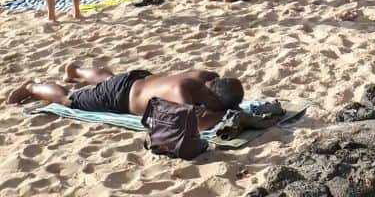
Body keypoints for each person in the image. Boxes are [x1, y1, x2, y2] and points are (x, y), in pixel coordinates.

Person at [7, 63, 244, 131]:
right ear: (213, 99)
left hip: (138, 78)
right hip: (120, 98)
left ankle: (77, 70)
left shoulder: (205, 75)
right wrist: (222, 113)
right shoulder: (182, 93)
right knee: (70, 99)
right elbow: (196, 126)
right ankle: (32, 87)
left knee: (108, 80)